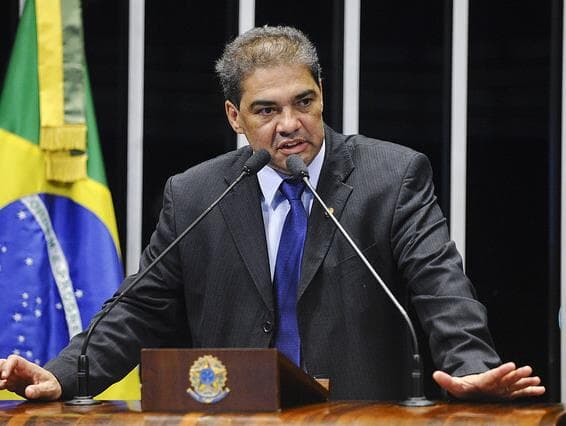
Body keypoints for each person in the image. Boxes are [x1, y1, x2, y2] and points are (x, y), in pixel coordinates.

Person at [0, 26, 544, 402]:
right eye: (266, 110)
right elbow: (138, 310)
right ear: (234, 116)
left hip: (358, 415)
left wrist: (474, 369)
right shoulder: (195, 194)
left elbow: (440, 286)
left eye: (303, 102)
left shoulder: (391, 177)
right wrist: (63, 374)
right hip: (234, 413)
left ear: (322, 95)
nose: (289, 124)